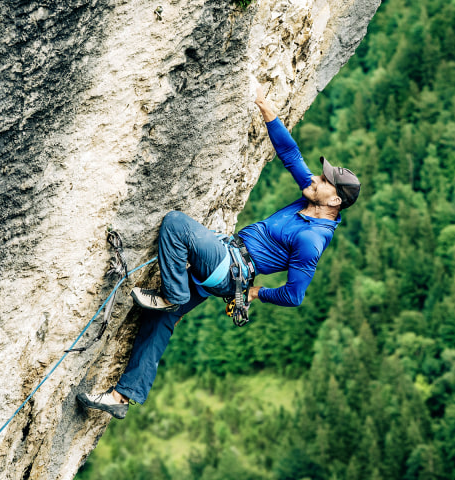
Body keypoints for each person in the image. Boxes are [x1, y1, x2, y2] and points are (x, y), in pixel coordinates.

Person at [77, 84, 361, 419]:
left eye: (324, 180)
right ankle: (123, 396)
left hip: (230, 268)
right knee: (161, 320)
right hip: (227, 262)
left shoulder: (312, 240)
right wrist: (267, 111)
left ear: (335, 200)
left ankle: (173, 293)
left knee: (176, 224)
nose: (315, 178)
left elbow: (295, 295)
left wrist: (255, 292)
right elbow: (291, 155)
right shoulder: (309, 199)